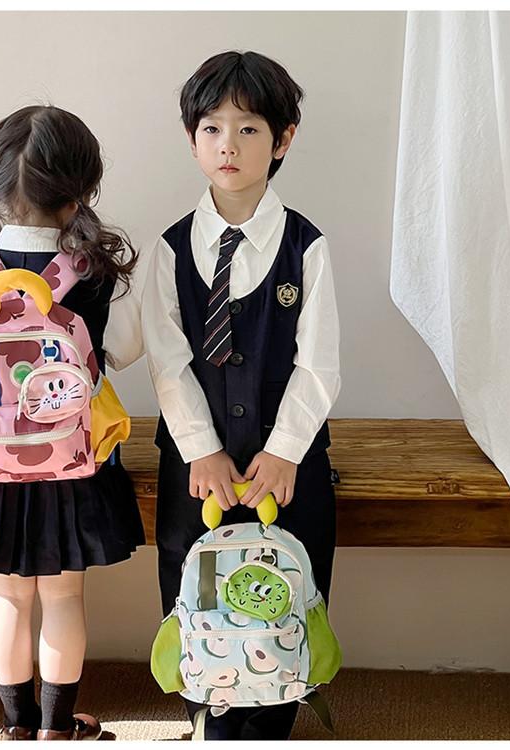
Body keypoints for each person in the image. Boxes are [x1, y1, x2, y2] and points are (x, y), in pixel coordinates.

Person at [0, 104, 146, 741]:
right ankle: (57, 727)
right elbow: (125, 350)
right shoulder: (93, 275)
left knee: (9, 599)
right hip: (72, 465)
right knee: (63, 598)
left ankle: (15, 726)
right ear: (80, 190)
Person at [143, 50, 341, 740]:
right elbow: (168, 363)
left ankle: (273, 722)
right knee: (197, 598)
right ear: (192, 138)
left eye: (249, 128)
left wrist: (286, 451)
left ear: (283, 139)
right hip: (196, 470)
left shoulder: (306, 247)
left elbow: (319, 366)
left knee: (283, 599)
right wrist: (200, 449)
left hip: (286, 468)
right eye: (212, 128)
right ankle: (208, 718)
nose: (228, 144)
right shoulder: (170, 249)